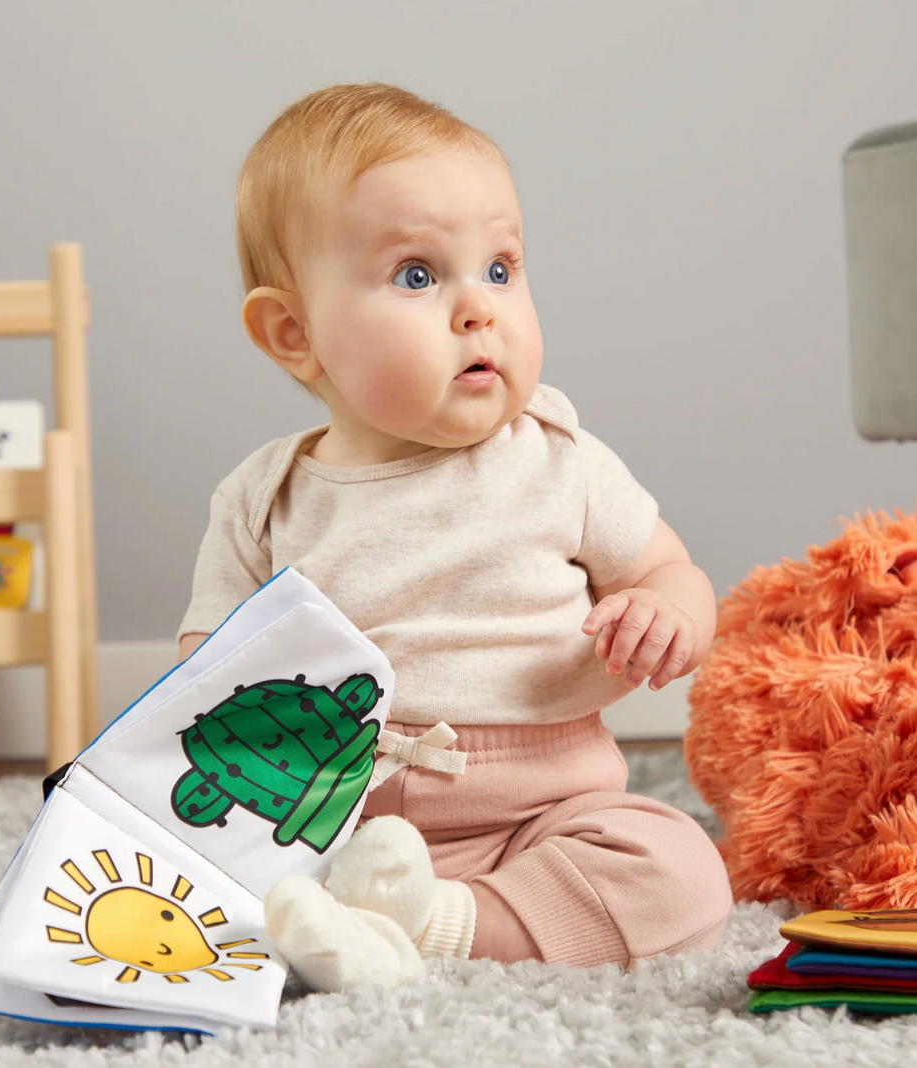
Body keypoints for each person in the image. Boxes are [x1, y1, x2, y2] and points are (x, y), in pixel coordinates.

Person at [177, 82, 733, 992]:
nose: (479, 308)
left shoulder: (563, 462)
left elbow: (671, 566)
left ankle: (441, 925)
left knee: (678, 869)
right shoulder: (264, 499)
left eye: (502, 269)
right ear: (294, 331)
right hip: (321, 815)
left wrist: (668, 611)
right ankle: (336, 913)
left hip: (541, 814)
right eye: (418, 275)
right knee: (175, 868)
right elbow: (206, 674)